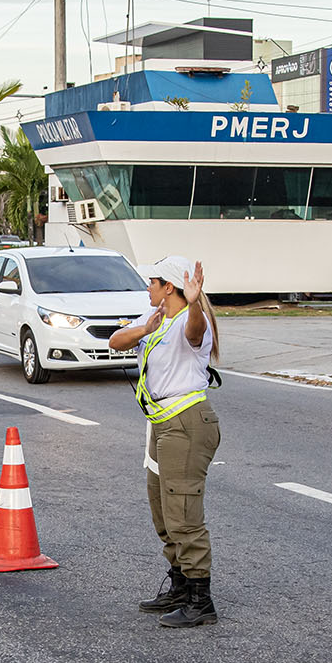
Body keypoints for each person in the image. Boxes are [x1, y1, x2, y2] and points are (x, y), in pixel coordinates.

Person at [108, 255, 222, 628]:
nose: (147, 288)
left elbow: (195, 331)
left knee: (184, 512)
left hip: (185, 423)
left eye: (151, 282)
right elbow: (115, 341)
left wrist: (192, 303)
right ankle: (179, 584)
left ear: (167, 287)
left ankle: (200, 599)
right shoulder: (154, 319)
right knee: (162, 508)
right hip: (160, 424)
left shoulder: (190, 323)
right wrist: (143, 330)